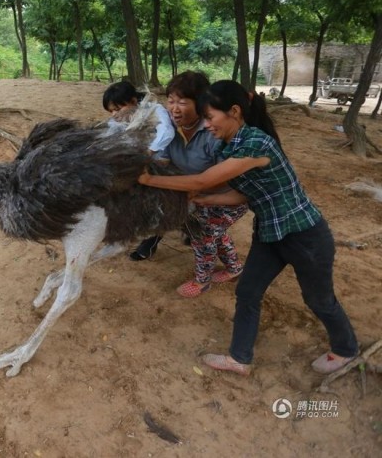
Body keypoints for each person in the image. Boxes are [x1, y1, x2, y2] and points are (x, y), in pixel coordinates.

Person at [138, 80, 359, 375]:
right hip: (270, 233)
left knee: (318, 299)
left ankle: (346, 349)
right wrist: (207, 199)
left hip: (304, 234)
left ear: (234, 111)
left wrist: (149, 180)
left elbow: (202, 179)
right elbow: (246, 192)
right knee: (247, 292)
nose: (206, 125)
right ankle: (239, 358)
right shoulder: (230, 146)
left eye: (210, 117)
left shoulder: (256, 142)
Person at [161, 72, 248, 297]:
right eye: (170, 100)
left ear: (200, 104)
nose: (174, 108)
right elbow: (160, 160)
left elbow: (225, 176)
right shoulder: (167, 129)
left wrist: (193, 189)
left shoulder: (213, 131)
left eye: (182, 102)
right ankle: (234, 268)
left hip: (228, 196)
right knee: (215, 232)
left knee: (203, 235)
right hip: (194, 194)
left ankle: (202, 281)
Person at [102, 81, 175, 260]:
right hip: (136, 162)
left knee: (154, 202)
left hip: (160, 162)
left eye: (117, 108)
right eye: (110, 111)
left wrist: (148, 154)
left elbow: (167, 132)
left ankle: (152, 239)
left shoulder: (155, 110)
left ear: (133, 101)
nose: (114, 114)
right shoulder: (119, 120)